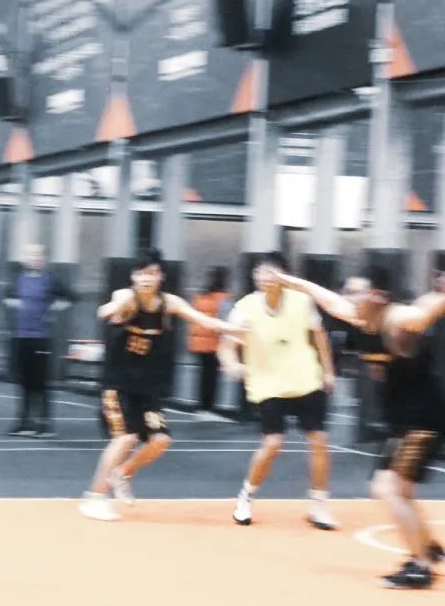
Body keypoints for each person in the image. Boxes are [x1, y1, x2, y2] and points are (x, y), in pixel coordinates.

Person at [272, 266, 445, 588]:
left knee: (388, 490)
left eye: (355, 292)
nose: (348, 298)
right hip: (402, 423)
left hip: (422, 421)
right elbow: (326, 299)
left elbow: (423, 315)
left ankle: (420, 566)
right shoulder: (362, 318)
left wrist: (440, 296)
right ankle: (428, 547)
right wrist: (290, 281)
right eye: (348, 292)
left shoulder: (398, 319)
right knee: (399, 490)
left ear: (376, 296)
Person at [80, 248, 241, 521]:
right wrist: (112, 310)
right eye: (142, 273)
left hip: (146, 387)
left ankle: (123, 473)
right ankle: (94, 497)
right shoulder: (126, 297)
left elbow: (203, 320)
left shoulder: (169, 303)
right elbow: (105, 309)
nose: (146, 278)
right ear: (134, 276)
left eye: (152, 273)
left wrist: (237, 330)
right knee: (126, 438)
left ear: (160, 277)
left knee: (161, 441)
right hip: (118, 384)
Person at [217, 252, 338, 530]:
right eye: (260, 272)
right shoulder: (245, 308)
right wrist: (232, 364)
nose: (265, 277)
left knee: (319, 440)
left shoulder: (302, 301)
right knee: (273, 443)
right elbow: (226, 346)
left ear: (284, 276)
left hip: (305, 378)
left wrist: (328, 370)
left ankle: (319, 504)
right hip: (268, 383)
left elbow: (320, 337)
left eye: (271, 271)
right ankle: (246, 496)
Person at [3, 244, 76, 438]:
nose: (34, 258)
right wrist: (14, 304)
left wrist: (53, 309)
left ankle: (44, 424)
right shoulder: (19, 279)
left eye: (37, 255)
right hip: (21, 337)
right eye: (30, 255)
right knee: (24, 382)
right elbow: (7, 297)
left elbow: (72, 296)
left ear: (43, 259)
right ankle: (24, 422)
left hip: (40, 337)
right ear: (26, 258)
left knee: (40, 382)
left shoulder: (50, 280)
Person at [187, 266, 230, 414]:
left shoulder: (200, 296)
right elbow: (225, 321)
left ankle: (201, 403)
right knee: (212, 376)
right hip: (214, 342)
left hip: (199, 342)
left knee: (203, 374)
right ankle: (209, 405)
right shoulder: (224, 297)